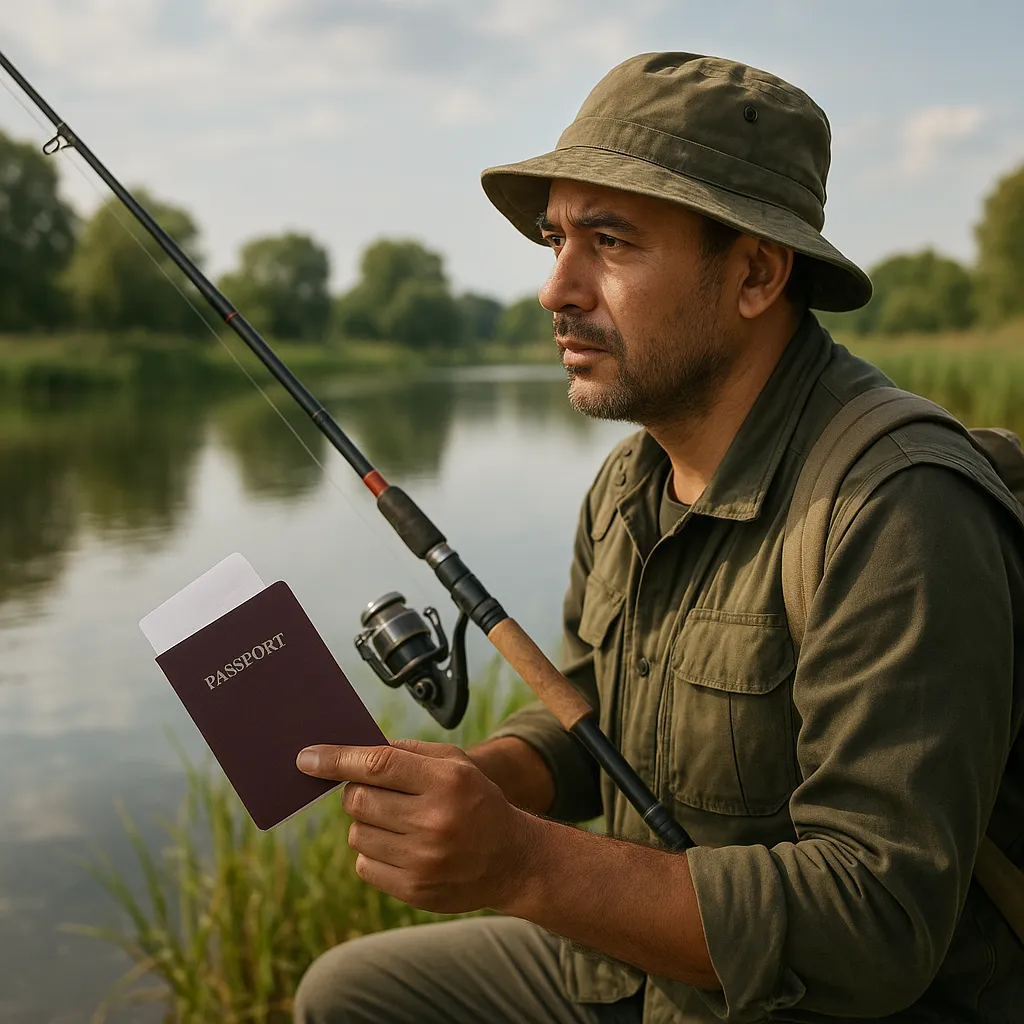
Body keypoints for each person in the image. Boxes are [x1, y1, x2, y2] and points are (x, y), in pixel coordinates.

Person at [292, 52, 1024, 1023]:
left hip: (823, 1003)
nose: (556, 286)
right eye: (554, 237)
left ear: (757, 273)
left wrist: (519, 862)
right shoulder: (630, 482)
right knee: (352, 992)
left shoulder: (895, 509)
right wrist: (488, 780)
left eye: (610, 240)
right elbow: (589, 710)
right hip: (637, 977)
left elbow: (874, 922)